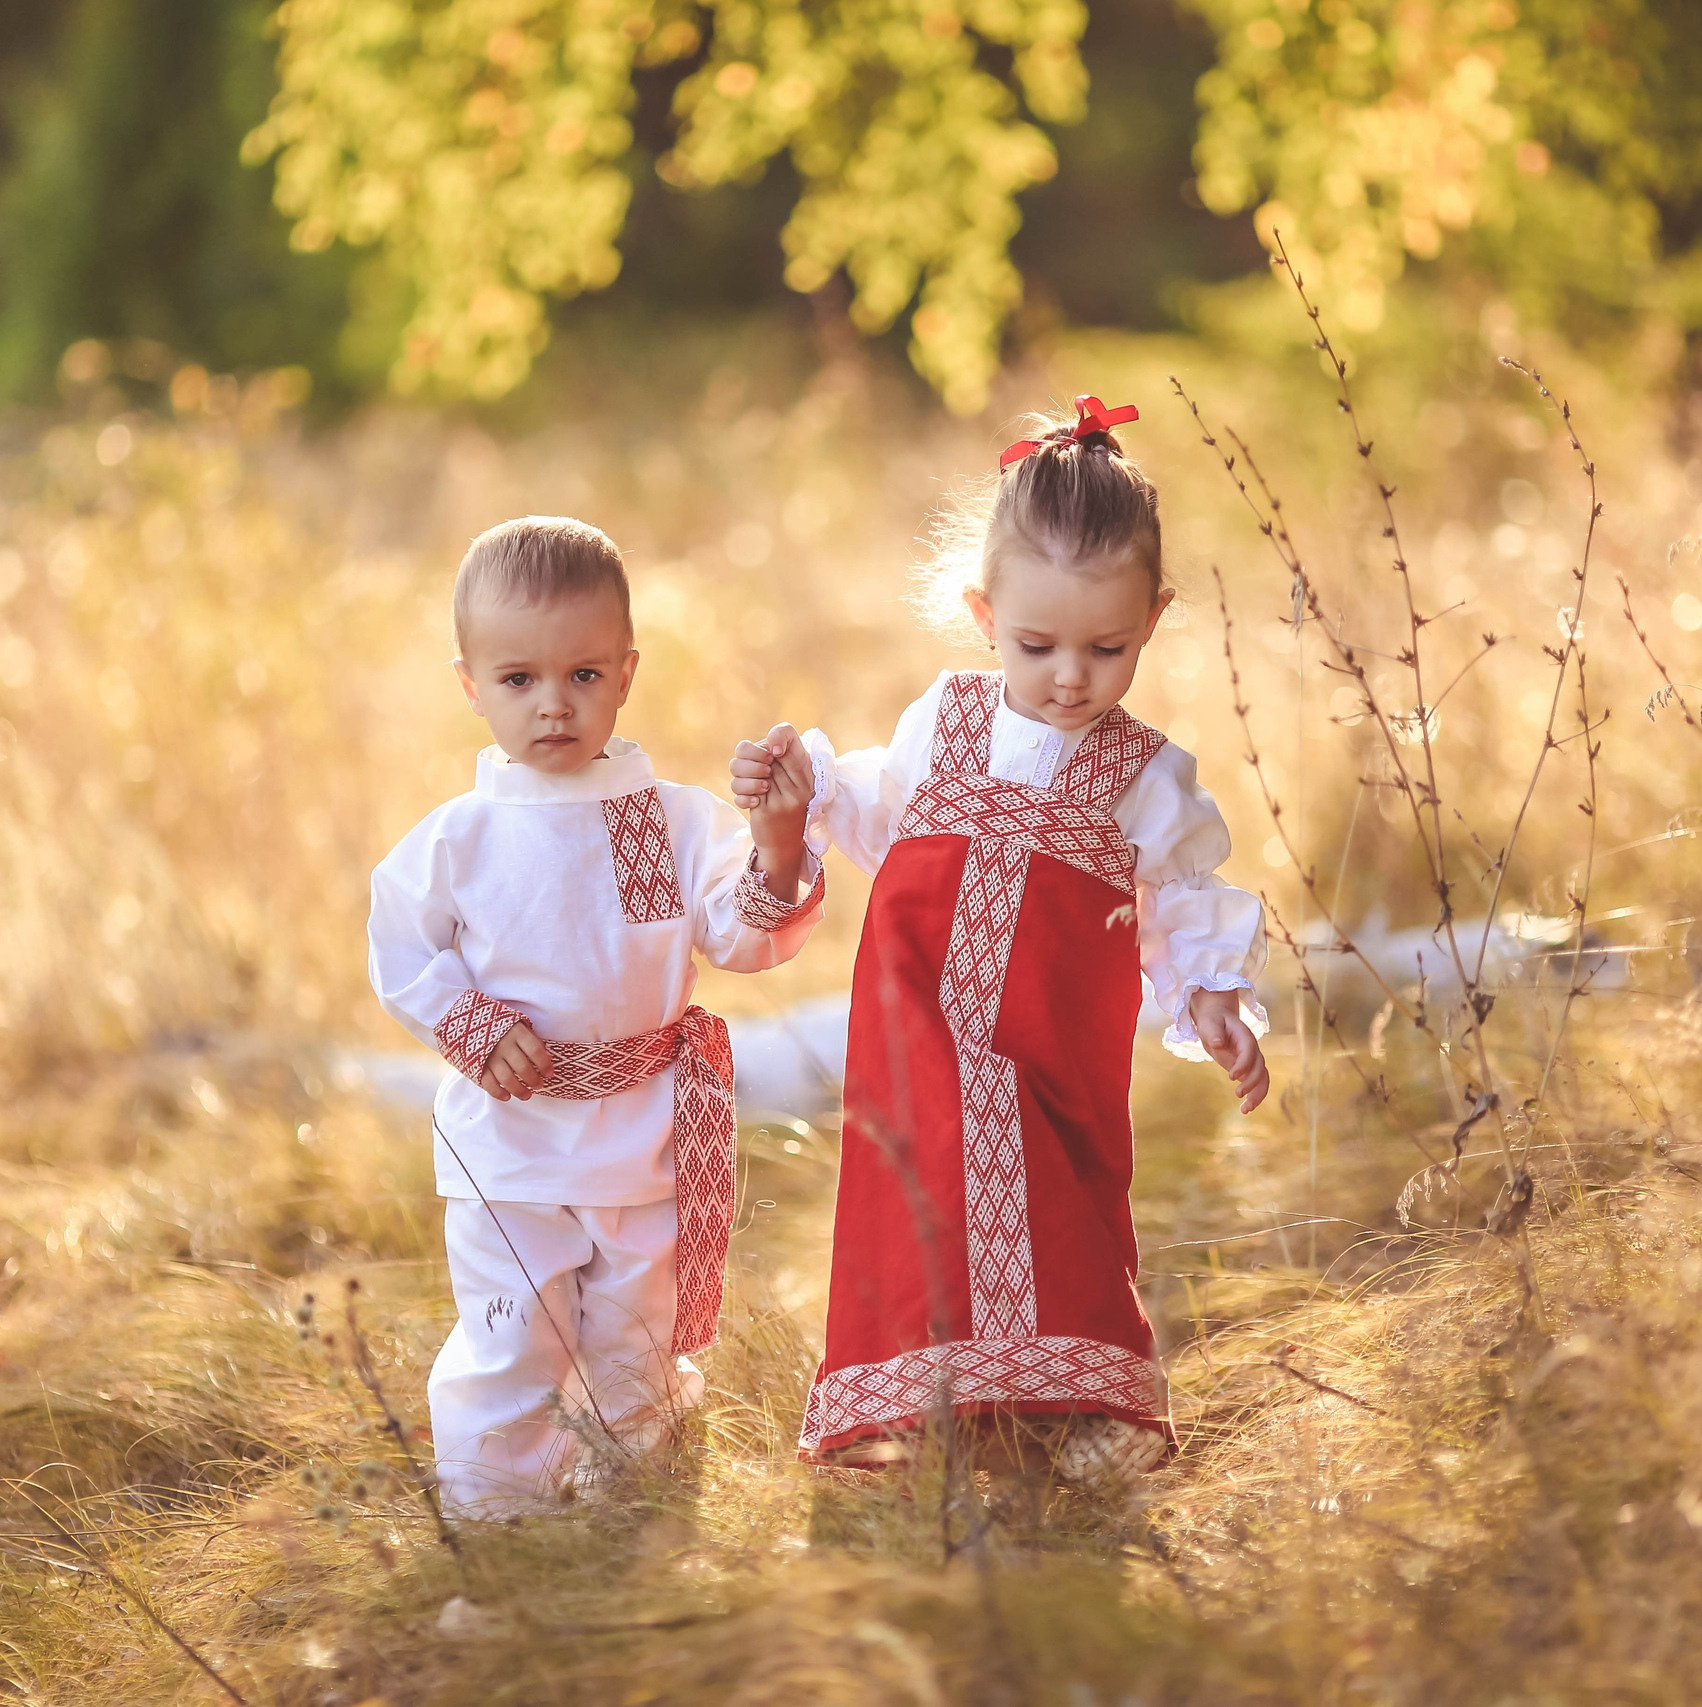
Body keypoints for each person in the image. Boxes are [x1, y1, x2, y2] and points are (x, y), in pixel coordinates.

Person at [731, 396, 1270, 1487]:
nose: (1070, 675)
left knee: (1059, 1199)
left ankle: (1072, 1403)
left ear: (1153, 620)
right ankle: (936, 1403)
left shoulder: (1147, 778)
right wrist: (800, 794)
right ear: (983, 614)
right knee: (923, 1196)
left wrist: (1212, 993)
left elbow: (1175, 897)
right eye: (1038, 644)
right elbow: (887, 814)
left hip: (1050, 1040)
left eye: (1105, 647)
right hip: (923, 1022)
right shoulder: (948, 719)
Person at [370, 516, 821, 1513]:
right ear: (470, 684)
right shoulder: (461, 840)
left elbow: (740, 936)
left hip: (642, 1136)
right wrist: (472, 1024)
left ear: (624, 673)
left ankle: (630, 1501)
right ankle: (501, 1512)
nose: (552, 705)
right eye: (518, 679)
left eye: (582, 677)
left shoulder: (664, 819)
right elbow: (402, 948)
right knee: (513, 1337)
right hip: (514, 1149)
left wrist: (778, 851)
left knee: (633, 1334)